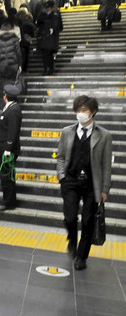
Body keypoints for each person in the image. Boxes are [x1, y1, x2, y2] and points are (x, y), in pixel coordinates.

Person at [56, 96, 112, 270]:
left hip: (91, 184)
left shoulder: (104, 136)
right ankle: (72, 240)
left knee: (88, 221)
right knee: (70, 217)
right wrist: (62, 176)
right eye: (78, 110)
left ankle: (82, 257)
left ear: (93, 112)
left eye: (84, 110)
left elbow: (106, 165)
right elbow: (60, 156)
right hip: (70, 181)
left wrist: (104, 189)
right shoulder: (67, 131)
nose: (81, 114)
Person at [0, 85, 22, 211]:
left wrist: (8, 149)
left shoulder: (13, 110)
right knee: (6, 176)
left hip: (7, 150)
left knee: (6, 176)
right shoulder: (11, 108)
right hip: (5, 149)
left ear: (5, 96)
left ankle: (8, 202)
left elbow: (12, 131)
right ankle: (8, 200)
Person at [37, 0, 63, 75]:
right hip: (49, 37)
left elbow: (38, 24)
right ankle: (48, 69)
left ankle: (47, 69)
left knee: (47, 54)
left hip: (46, 37)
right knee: (47, 54)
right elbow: (60, 27)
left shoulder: (43, 14)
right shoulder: (56, 13)